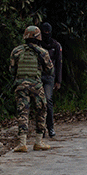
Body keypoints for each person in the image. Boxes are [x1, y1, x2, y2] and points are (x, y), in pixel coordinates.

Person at [9, 25, 53, 153]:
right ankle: (38, 142)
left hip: (21, 85)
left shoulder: (16, 51)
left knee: (22, 113)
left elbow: (12, 70)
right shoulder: (42, 52)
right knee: (41, 111)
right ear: (38, 37)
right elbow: (50, 71)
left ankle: (22, 143)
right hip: (36, 85)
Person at [39, 22, 63, 139]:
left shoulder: (56, 45)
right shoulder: (38, 45)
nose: (46, 34)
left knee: (48, 101)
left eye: (48, 32)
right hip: (38, 76)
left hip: (49, 77)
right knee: (39, 102)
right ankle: (41, 128)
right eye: (45, 33)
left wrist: (58, 81)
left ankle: (51, 127)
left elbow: (59, 63)